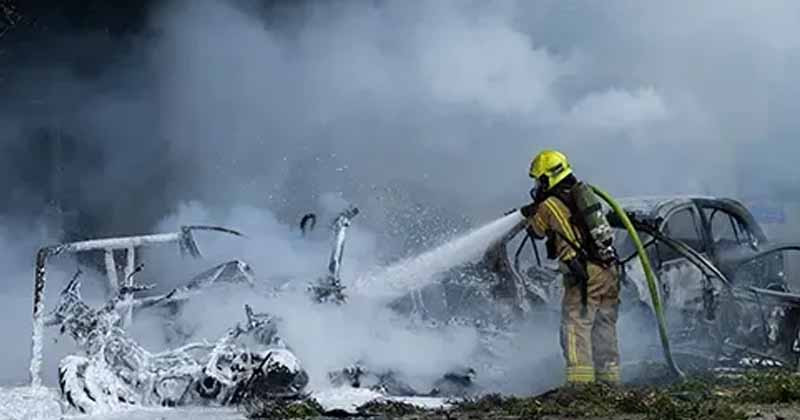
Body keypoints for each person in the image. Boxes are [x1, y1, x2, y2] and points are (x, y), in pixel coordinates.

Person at [519, 150, 620, 385]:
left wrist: (532, 212)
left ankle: (580, 387)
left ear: (547, 178)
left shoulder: (550, 205)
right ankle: (609, 383)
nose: (536, 185)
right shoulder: (581, 196)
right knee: (604, 326)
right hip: (608, 269)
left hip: (584, 274)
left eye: (538, 179)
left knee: (576, 327)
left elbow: (536, 231)